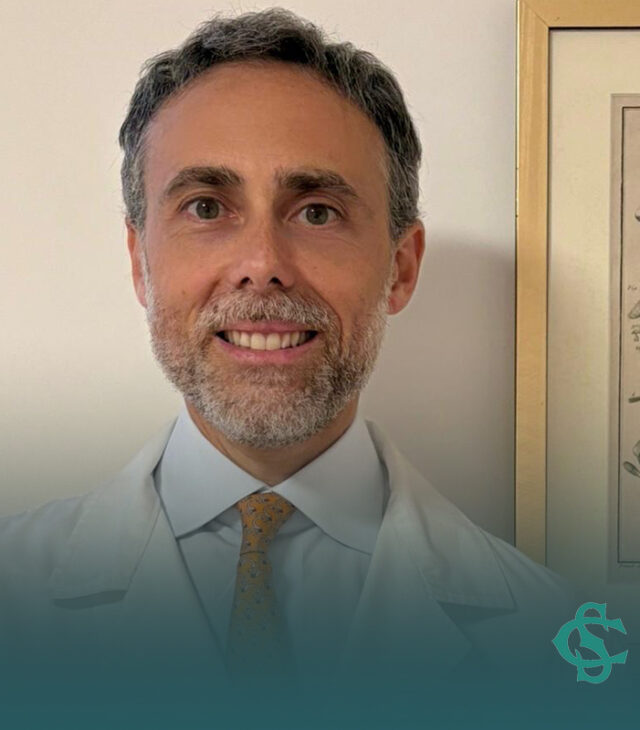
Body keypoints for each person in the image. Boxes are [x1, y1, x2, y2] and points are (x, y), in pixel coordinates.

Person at [0, 8, 575, 726]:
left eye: (318, 212)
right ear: (140, 263)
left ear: (400, 268)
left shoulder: (560, 642)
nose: (262, 265)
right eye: (206, 207)